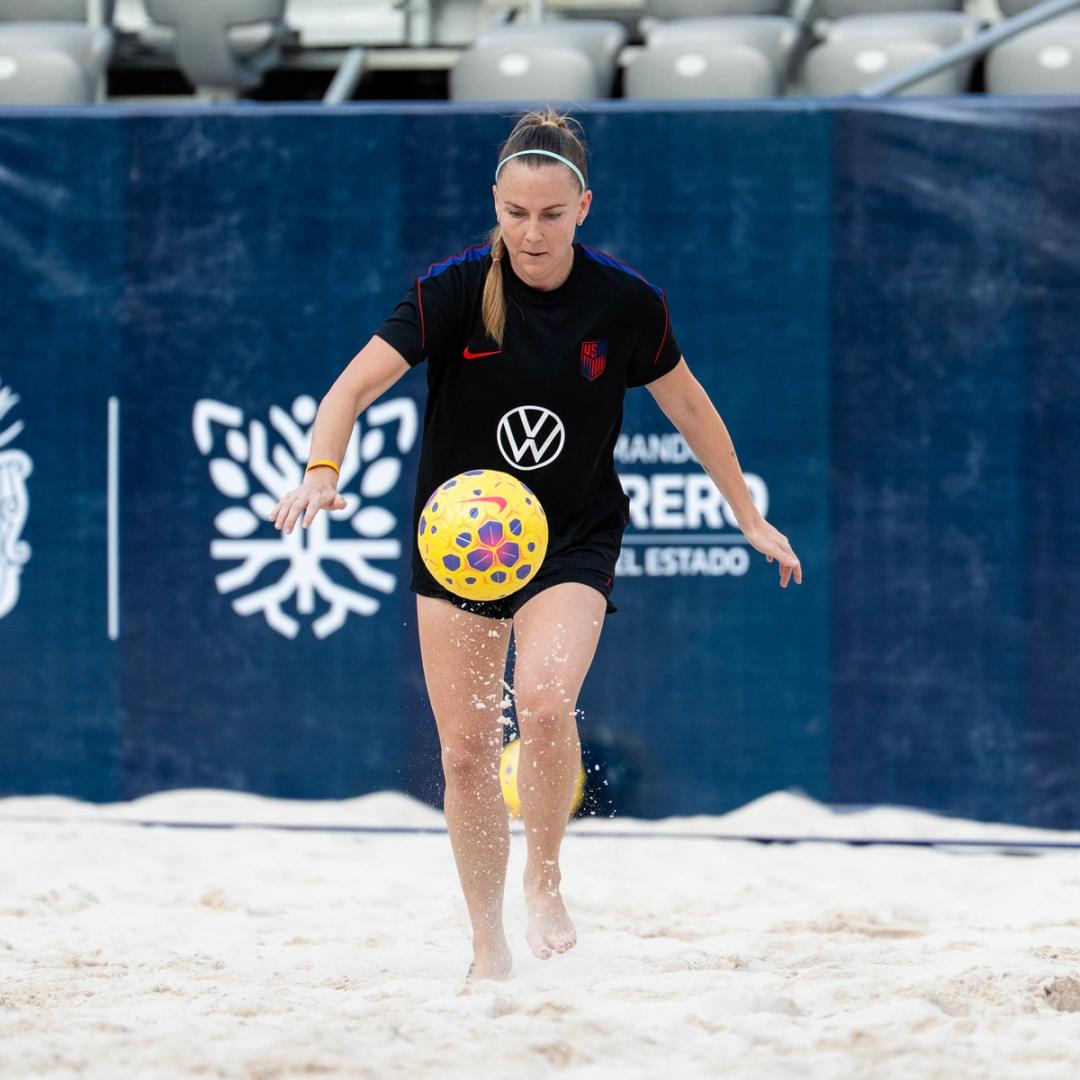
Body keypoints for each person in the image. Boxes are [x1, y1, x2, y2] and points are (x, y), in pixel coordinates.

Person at [269, 107, 802, 981]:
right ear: (496, 203)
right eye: (516, 213)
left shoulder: (625, 302)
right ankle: (487, 944)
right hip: (459, 545)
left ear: (583, 206)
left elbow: (692, 408)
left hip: (571, 537)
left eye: (551, 214)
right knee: (467, 753)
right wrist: (323, 470)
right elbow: (349, 389)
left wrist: (747, 513)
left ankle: (545, 878)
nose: (532, 231)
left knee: (547, 705)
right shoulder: (450, 290)